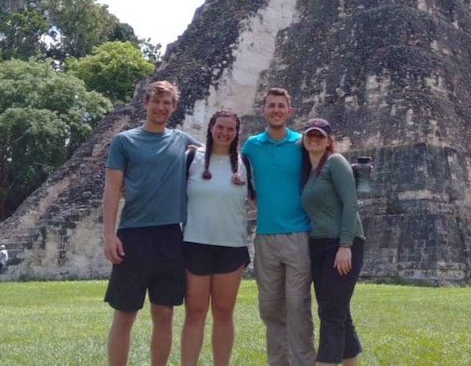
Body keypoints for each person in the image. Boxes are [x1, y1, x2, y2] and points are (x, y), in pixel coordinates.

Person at [102, 80, 201, 366]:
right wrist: (109, 235)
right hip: (133, 235)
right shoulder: (125, 141)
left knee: (165, 313)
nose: (161, 107)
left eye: (166, 102)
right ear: (145, 103)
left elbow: (216, 156)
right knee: (124, 313)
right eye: (156, 101)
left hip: (170, 235)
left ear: (174, 107)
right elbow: (111, 189)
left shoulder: (182, 140)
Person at [240, 88, 315, 366]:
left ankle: (304, 362)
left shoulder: (301, 144)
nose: (276, 110)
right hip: (266, 237)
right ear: (263, 110)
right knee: (270, 308)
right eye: (271, 105)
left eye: (281, 106)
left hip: (298, 235)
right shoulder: (251, 146)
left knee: (297, 305)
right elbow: (241, 178)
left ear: (289, 111)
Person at [180, 109, 252, 366]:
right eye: (220, 127)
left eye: (230, 129)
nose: (224, 133)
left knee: (223, 313)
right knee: (195, 314)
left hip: (231, 246)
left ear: (236, 133)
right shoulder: (192, 158)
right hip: (195, 243)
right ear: (211, 128)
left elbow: (260, 197)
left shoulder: (246, 163)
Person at [300, 118, 366, 366]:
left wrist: (345, 245)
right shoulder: (309, 173)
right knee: (338, 311)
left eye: (319, 135)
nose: (314, 138)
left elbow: (350, 203)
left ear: (329, 141)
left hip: (342, 244)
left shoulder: (335, 162)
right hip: (318, 246)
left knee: (330, 313)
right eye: (309, 134)